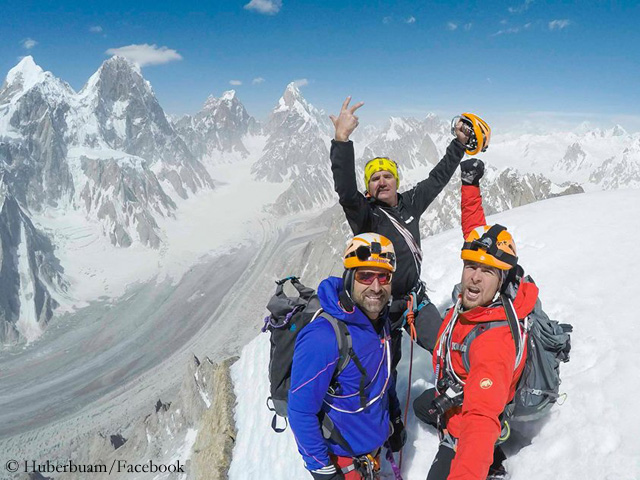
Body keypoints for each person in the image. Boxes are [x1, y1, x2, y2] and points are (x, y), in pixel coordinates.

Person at [329, 98, 485, 357]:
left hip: (414, 300)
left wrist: (459, 144)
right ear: (368, 188)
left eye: (387, 176)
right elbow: (345, 191)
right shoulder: (365, 214)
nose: (381, 182)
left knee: (443, 348)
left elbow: (437, 178)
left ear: (396, 180)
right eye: (374, 179)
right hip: (378, 306)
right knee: (383, 369)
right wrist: (342, 140)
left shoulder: (410, 203)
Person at [414, 158, 539, 480]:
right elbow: (475, 232)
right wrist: (469, 185)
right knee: (420, 406)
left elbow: (481, 418)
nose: (474, 278)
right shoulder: (486, 299)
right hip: (460, 390)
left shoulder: (493, 341)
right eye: (471, 267)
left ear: (501, 280)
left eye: (485, 272)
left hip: (470, 421)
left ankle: (491, 463)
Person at [288, 233, 403, 480]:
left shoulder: (379, 320)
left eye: (383, 276)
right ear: (350, 278)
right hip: (344, 462)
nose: (375, 286)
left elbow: (382, 376)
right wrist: (323, 470)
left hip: (372, 453)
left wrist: (394, 417)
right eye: (365, 276)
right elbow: (300, 410)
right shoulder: (324, 337)